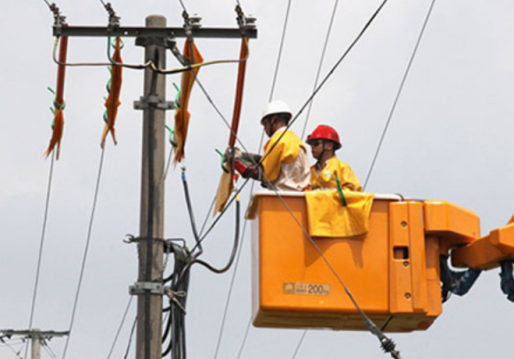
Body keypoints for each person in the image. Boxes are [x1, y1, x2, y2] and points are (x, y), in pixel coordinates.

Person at [229, 100, 310, 191]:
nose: (265, 129)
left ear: (274, 120)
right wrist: (243, 155)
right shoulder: (295, 140)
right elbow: (270, 162)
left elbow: (262, 174)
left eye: (265, 124)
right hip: (301, 199)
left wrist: (235, 161)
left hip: (283, 199)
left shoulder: (278, 140)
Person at [306, 125, 362, 191]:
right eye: (311, 144)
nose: (312, 147)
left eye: (316, 143)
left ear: (329, 146)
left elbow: (354, 191)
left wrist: (329, 194)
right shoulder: (308, 172)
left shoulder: (342, 168)